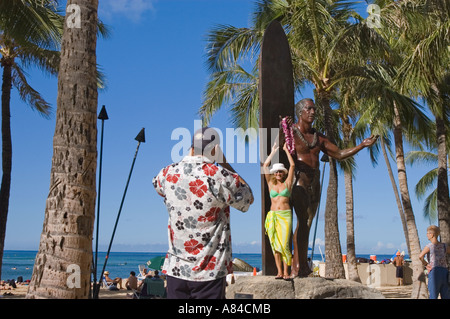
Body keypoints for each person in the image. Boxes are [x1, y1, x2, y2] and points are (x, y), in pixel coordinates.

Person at [153, 127, 254, 299]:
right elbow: (248, 198)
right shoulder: (219, 176)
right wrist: (225, 164)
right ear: (215, 150)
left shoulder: (167, 173)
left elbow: (158, 187)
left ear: (191, 147)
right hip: (209, 270)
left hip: (176, 269)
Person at [283, 98, 378, 277]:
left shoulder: (319, 137)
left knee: (308, 224)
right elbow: (278, 146)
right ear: (300, 112)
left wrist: (361, 146)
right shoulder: (292, 133)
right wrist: (284, 129)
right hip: (299, 181)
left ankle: (301, 265)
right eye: (309, 109)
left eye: (314, 109)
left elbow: (339, 153)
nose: (313, 112)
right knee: (302, 222)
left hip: (315, 181)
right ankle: (298, 266)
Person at [263, 142, 295, 280]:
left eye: (280, 171)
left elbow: (292, 165)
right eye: (276, 171)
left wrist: (286, 150)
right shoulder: (270, 184)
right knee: (275, 246)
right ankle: (279, 272)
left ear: (283, 173)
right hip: (273, 216)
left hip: (285, 216)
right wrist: (273, 152)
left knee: (285, 245)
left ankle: (287, 272)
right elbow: (265, 166)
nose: (278, 173)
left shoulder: (287, 183)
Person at [419, 225, 450, 299]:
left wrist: (426, 264)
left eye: (428, 233)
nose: (427, 235)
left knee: (433, 295)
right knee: (446, 296)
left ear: (432, 234)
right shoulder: (444, 246)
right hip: (445, 272)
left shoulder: (429, 246)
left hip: (435, 272)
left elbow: (420, 256)